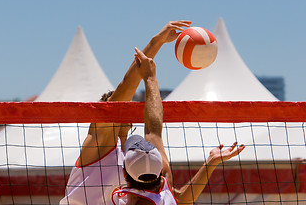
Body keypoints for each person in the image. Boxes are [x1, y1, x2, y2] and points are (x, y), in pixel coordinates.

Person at [60, 21, 245, 205]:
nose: (121, 108)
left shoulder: (142, 159)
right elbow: (123, 95)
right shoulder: (98, 145)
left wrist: (210, 163)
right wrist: (156, 43)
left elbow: (177, 197)